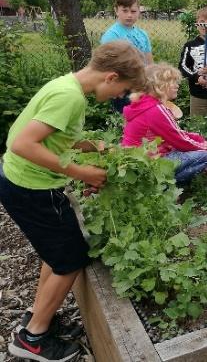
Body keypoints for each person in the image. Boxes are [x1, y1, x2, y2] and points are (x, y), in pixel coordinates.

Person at [0, 41, 145, 362]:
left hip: (24, 183)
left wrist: (93, 147)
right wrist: (82, 172)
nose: (121, 96)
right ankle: (32, 338)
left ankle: (40, 316)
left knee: (57, 253)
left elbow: (55, 134)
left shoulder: (66, 86)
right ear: (110, 76)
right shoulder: (70, 98)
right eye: (123, 89)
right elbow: (23, 143)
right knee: (71, 260)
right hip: (32, 188)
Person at [121, 64, 207, 185]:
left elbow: (173, 135)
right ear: (159, 85)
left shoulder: (142, 104)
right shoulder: (155, 109)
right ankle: (166, 185)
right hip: (150, 164)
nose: (177, 85)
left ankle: (162, 183)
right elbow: (180, 140)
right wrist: (205, 147)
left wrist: (197, 139)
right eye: (173, 82)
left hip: (137, 163)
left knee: (188, 150)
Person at [101, 0, 153, 113]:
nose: (129, 15)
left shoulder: (142, 34)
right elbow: (109, 65)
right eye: (125, 11)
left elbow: (149, 61)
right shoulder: (112, 35)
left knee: (144, 121)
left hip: (142, 86)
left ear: (139, 11)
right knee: (126, 122)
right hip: (122, 88)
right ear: (116, 10)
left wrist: (151, 81)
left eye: (133, 11)